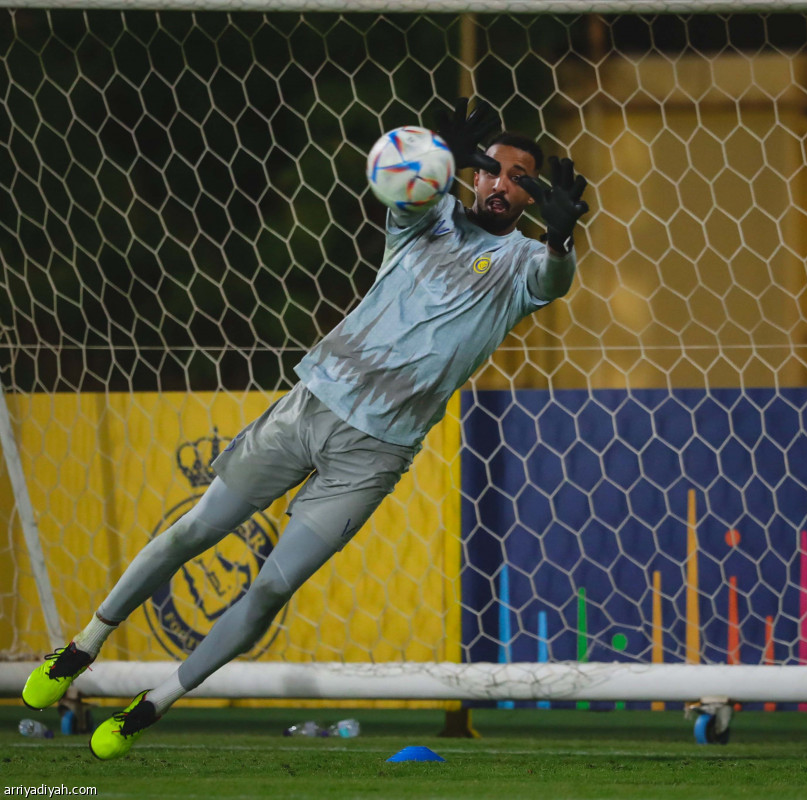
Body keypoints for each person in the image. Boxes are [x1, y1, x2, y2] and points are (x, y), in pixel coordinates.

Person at [21, 97, 589, 760]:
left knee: (269, 588)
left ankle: (153, 706)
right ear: (473, 175)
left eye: (521, 178)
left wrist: (560, 237)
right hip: (310, 407)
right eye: (493, 169)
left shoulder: (524, 263)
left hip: (374, 455)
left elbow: (554, 280)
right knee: (195, 530)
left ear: (532, 196)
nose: (502, 183)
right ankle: (84, 643)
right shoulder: (425, 219)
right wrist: (432, 148)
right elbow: (399, 184)